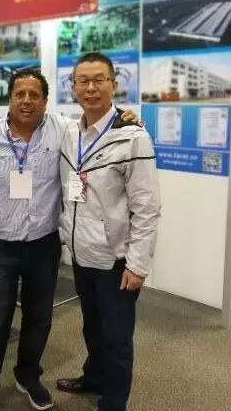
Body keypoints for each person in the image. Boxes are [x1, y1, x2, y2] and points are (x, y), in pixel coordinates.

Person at [0, 70, 138, 411]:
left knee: (39, 319)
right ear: (10, 99)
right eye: (20, 94)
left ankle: (28, 376)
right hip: (0, 246)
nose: (26, 101)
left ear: (45, 100)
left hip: (44, 244)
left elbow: (97, 127)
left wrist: (125, 119)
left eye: (34, 95)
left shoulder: (65, 130)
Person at [55, 52, 161, 411]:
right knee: (92, 327)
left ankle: (113, 404)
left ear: (114, 85)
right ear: (73, 87)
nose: (91, 88)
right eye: (82, 81)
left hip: (116, 261)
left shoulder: (133, 138)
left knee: (117, 338)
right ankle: (94, 378)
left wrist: (138, 265)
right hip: (81, 252)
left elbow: (147, 208)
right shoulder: (69, 131)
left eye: (99, 80)